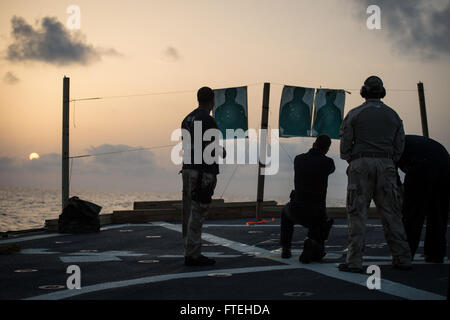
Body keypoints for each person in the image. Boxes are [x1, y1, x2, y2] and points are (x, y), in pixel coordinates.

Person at [339, 75, 412, 273]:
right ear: (382, 92)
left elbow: (345, 144)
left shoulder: (355, 114)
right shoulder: (393, 115)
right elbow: (400, 144)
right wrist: (390, 160)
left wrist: (351, 159)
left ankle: (354, 261)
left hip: (361, 163)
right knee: (392, 214)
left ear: (364, 92)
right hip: (387, 163)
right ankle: (402, 257)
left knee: (357, 213)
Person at [181, 86, 224, 266]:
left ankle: (189, 248)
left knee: (188, 211)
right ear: (212, 101)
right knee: (198, 212)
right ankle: (193, 254)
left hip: (187, 168)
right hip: (203, 172)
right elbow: (211, 148)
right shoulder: (209, 120)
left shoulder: (186, 119)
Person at [280, 134, 335, 263]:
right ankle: (313, 243)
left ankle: (286, 248)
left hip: (297, 210)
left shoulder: (298, 159)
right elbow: (330, 169)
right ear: (327, 149)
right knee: (322, 224)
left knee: (285, 212)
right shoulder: (328, 163)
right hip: (317, 215)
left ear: (314, 144)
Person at [397, 135, 450, 263]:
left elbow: (390, 173)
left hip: (421, 166)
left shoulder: (391, 147)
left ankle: (406, 253)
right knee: (438, 214)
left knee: (413, 214)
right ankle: (435, 254)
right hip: (445, 165)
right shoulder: (407, 140)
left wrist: (399, 190)